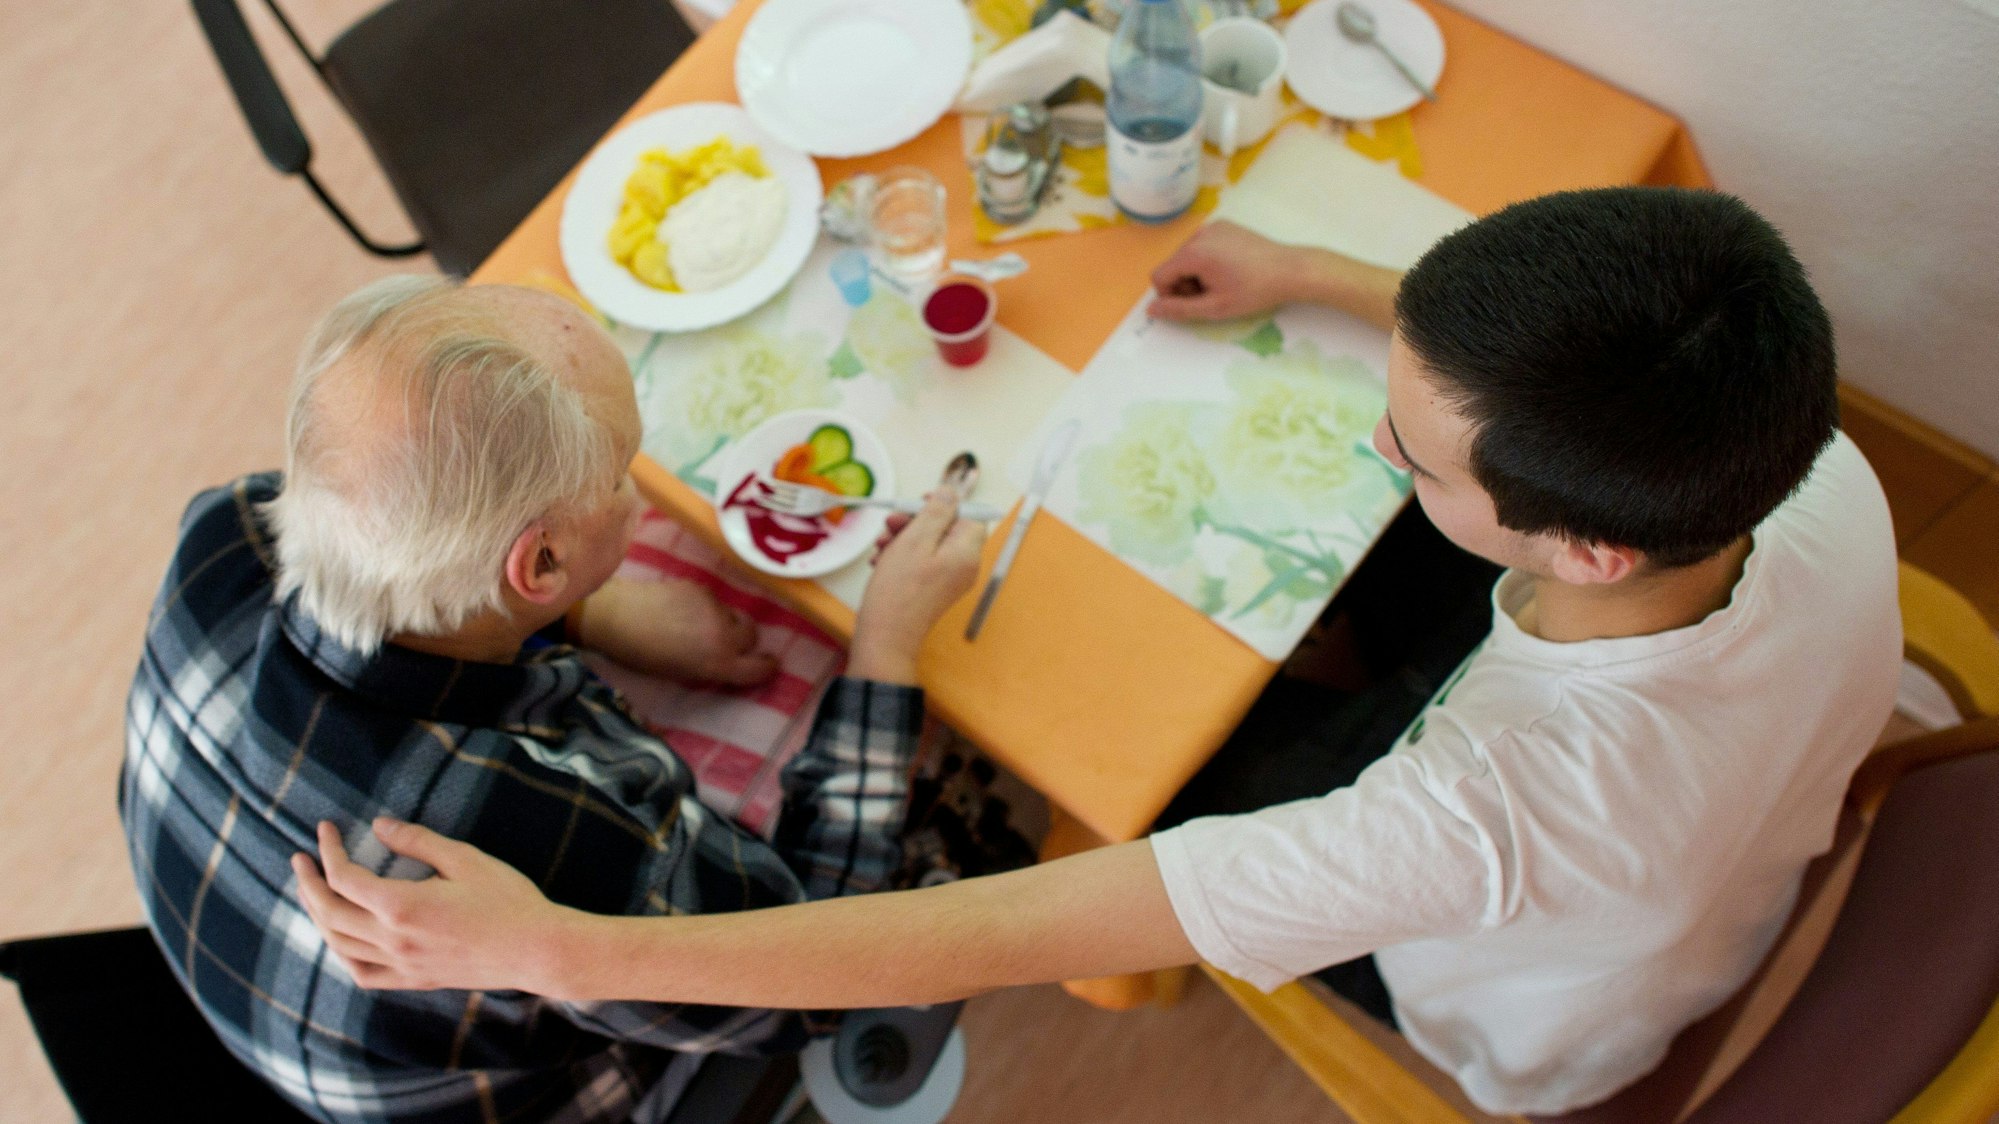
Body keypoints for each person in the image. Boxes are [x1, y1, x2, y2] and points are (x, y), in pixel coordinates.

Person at [291, 188, 1903, 1116]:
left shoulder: (1467, 821)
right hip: (1748, 802)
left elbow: (983, 933)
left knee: (1172, 760)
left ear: (1583, 545)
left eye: (1412, 455)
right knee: (1345, 620)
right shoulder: (1802, 456)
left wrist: (562, 952)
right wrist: (1309, 277)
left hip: (1537, 1029)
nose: (1382, 448)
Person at [120, 276, 986, 1124]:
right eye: (621, 471)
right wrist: (886, 644)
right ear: (536, 565)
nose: (640, 493)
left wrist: (596, 609)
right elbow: (817, 966)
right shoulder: (537, 836)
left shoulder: (225, 527)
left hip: (264, 988)